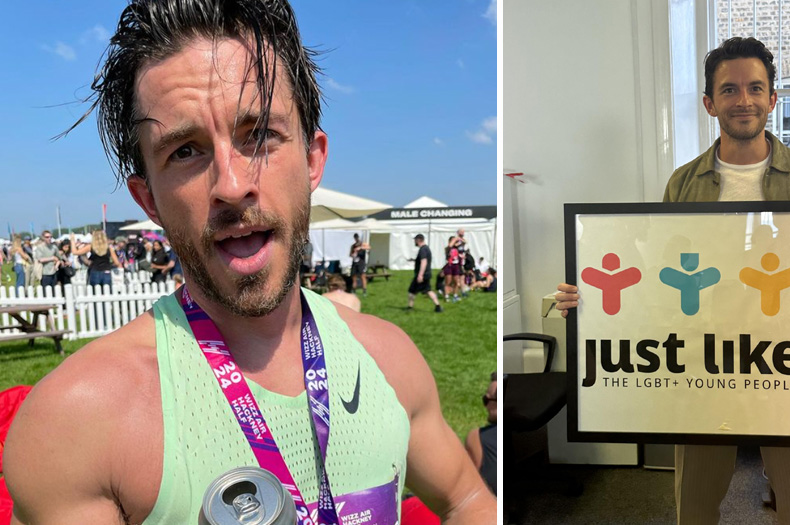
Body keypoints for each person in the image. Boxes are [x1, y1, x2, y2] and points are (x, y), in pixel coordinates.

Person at [3, 2, 495, 523]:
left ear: (312, 159)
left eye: (259, 135)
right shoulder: (79, 421)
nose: (232, 186)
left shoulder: (388, 359)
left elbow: (466, 499)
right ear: (148, 200)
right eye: (185, 151)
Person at [554, 37, 790, 525]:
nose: (742, 100)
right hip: (706, 353)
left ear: (772, 99)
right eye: (728, 90)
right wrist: (588, 299)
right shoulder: (682, 184)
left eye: (754, 88)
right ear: (709, 103)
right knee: (695, 498)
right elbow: (660, 274)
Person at [465, 372, 497, 495]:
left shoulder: (477, 437)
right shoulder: (532, 430)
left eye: (487, 400)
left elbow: (467, 487)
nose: (487, 406)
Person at [408, 234, 443, 313]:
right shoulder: (426, 248)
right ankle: (438, 306)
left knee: (412, 291)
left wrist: (420, 275)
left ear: (418, 240)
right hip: (426, 274)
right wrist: (414, 260)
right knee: (428, 290)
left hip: (422, 275)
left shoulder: (423, 249)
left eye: (415, 240)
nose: (414, 242)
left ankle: (410, 308)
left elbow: (424, 261)